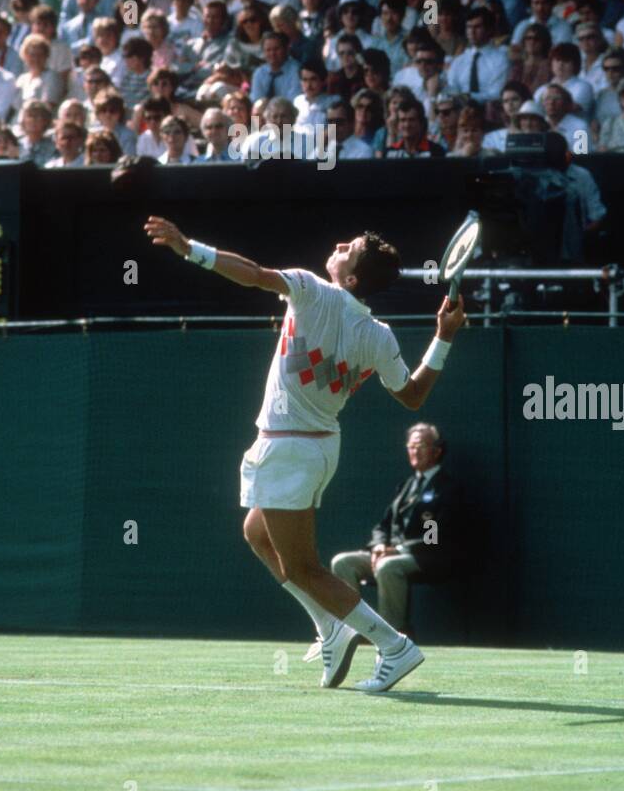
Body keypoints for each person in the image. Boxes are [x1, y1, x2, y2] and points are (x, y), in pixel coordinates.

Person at [144, 216, 468, 693]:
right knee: (256, 532)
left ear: (351, 276)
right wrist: (444, 336)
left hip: (289, 447)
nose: (338, 243)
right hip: (314, 448)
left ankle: (394, 647)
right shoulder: (380, 335)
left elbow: (251, 273)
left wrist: (189, 247)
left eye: (349, 247)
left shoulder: (311, 288)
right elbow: (414, 394)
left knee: (304, 567)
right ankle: (330, 627)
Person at [325, 423, 462, 638]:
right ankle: (354, 631)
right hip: (391, 552)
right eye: (411, 446)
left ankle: (391, 636)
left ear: (437, 450)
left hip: (428, 557)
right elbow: (383, 526)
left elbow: (433, 537)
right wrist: (379, 545)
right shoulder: (406, 485)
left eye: (421, 446)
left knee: (388, 565)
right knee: (343, 562)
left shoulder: (447, 488)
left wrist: (396, 549)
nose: (415, 451)